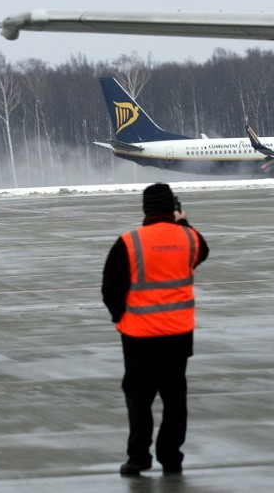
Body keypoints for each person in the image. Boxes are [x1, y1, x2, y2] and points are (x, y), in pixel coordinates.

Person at [102, 183, 209, 476]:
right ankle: (171, 457)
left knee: (139, 399)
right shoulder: (189, 238)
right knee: (175, 397)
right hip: (178, 334)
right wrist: (183, 222)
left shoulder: (129, 242)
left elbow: (111, 288)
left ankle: (138, 458)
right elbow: (202, 252)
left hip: (138, 335)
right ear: (172, 208)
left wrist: (118, 318)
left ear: (145, 208)